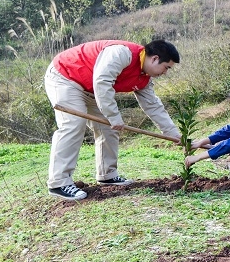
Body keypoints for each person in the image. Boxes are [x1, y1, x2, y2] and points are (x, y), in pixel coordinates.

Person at [44, 39, 181, 200]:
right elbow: (102, 82)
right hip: (65, 78)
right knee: (73, 124)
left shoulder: (144, 77)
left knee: (108, 128)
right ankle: (59, 183)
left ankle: (107, 174)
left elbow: (153, 106)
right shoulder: (122, 53)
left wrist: (173, 134)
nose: (165, 73)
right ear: (155, 58)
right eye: (166, 68)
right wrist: (114, 116)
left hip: (91, 90)